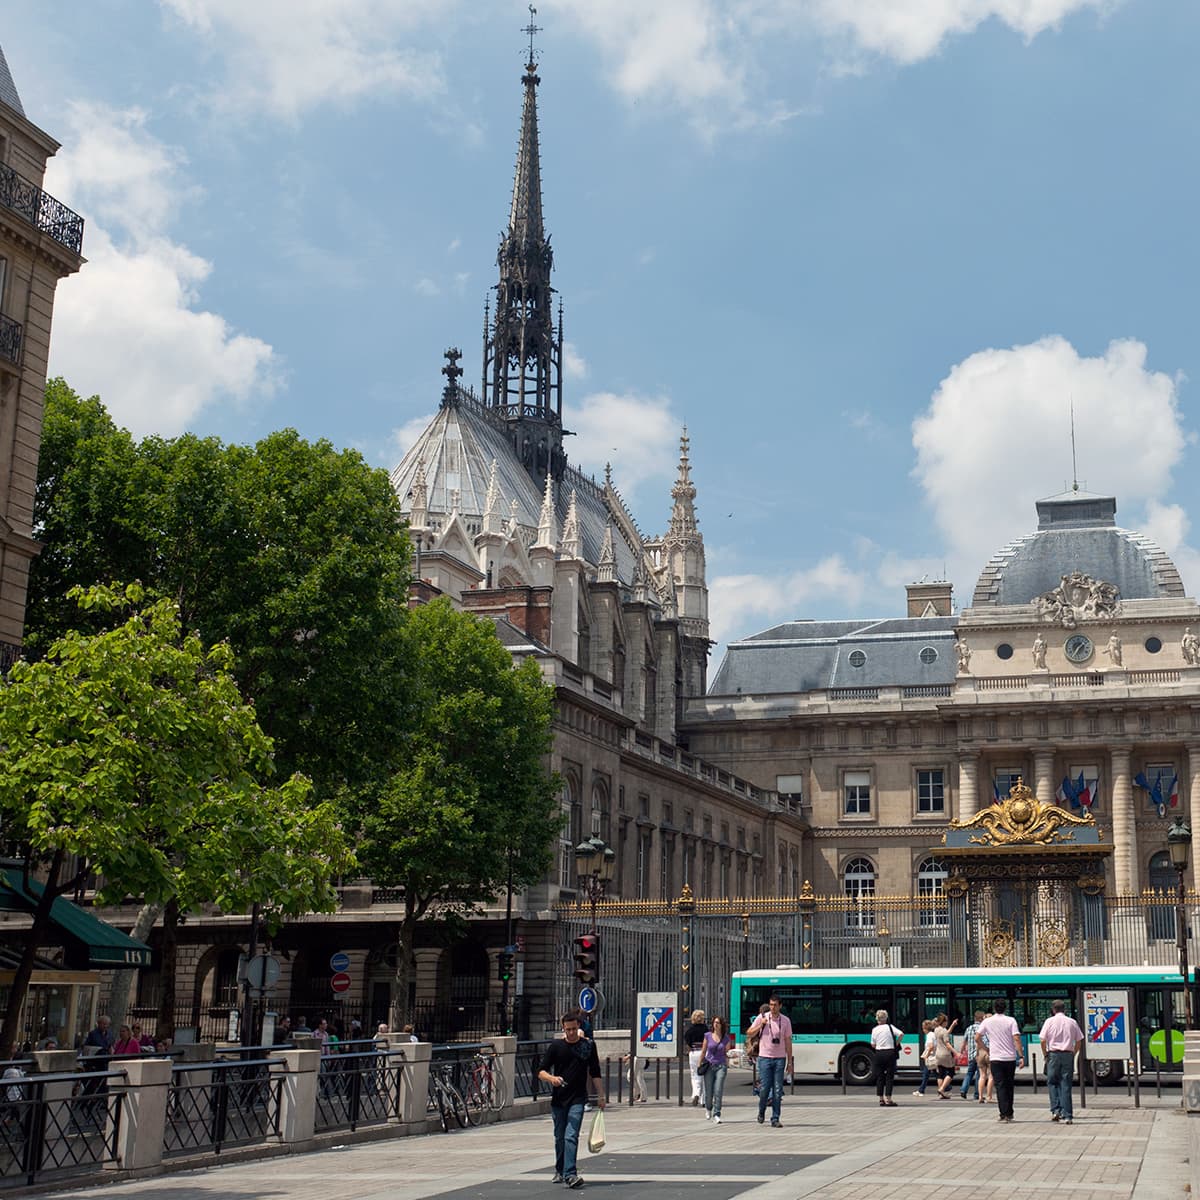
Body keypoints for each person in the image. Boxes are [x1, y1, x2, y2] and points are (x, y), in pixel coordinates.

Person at [537, 1010, 605, 1189]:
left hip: (578, 1097)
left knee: (571, 1135)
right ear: (563, 1029)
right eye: (568, 1029)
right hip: (559, 1099)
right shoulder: (556, 1047)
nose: (572, 1033)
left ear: (579, 1027)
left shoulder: (588, 1046)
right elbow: (541, 1071)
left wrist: (601, 1095)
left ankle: (570, 1174)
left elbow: (595, 1071)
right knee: (559, 1137)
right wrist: (552, 1079)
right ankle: (560, 1169)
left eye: (574, 1029)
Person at [747, 994, 792, 1127]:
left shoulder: (785, 1021)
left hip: (779, 1058)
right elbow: (749, 1033)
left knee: (778, 1089)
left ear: (780, 1006)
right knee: (765, 1089)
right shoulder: (762, 1018)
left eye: (775, 1005)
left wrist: (790, 1062)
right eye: (771, 1005)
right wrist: (760, 1025)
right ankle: (761, 1111)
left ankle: (775, 1118)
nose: (772, 1008)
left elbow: (788, 1041)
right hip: (765, 1057)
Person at [1039, 999, 1084, 1125]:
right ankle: (1068, 1115)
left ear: (1053, 1010)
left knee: (1052, 1082)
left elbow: (1042, 1040)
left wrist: (1045, 1054)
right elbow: (1079, 1040)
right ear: (1065, 1009)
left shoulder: (1049, 1021)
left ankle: (1056, 1110)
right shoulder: (1072, 1022)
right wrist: (1073, 1053)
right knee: (1066, 1084)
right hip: (1068, 1055)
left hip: (1053, 1054)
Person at [977, 999, 1024, 1122]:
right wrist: (1021, 1056)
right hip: (1009, 1058)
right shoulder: (1011, 1020)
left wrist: (985, 1048)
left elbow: (977, 1037)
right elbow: (1016, 1038)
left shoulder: (988, 1021)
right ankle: (1009, 1112)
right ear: (1005, 1008)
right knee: (1009, 1085)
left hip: (995, 1058)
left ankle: (1003, 1113)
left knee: (1000, 1086)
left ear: (994, 1008)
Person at [701, 1015, 734, 1123]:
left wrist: (731, 1055)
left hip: (721, 1066)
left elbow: (727, 1053)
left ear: (721, 1025)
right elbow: (704, 1050)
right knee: (709, 1090)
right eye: (714, 1022)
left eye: (718, 1023)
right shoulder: (708, 1035)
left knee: (718, 1090)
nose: (716, 1024)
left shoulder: (726, 1038)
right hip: (709, 1065)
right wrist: (700, 1063)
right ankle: (708, 1108)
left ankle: (717, 1113)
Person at [870, 1009, 902, 1106]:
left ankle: (881, 1099)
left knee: (880, 1076)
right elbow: (901, 1034)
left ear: (877, 1019)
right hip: (890, 1053)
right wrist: (895, 1043)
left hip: (879, 1053)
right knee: (889, 1077)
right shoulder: (890, 1027)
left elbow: (873, 1044)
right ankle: (889, 1099)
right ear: (886, 1018)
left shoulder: (874, 1029)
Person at [683, 1009, 708, 1107]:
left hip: (693, 1053)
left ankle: (696, 1094)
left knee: (694, 1075)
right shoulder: (706, 1029)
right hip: (703, 1052)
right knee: (704, 1075)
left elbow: (687, 1043)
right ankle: (704, 1100)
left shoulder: (690, 1030)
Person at [960, 1010, 986, 1100]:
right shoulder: (983, 1028)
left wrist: (961, 1051)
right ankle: (977, 1094)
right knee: (979, 1075)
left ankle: (963, 1089)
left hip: (971, 1055)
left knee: (969, 1073)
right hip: (980, 1054)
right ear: (980, 1018)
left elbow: (964, 1042)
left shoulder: (969, 1028)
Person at [933, 1013, 959, 1098]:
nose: (947, 1022)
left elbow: (946, 1033)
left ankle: (941, 1093)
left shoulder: (936, 1030)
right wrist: (956, 1052)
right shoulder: (943, 1031)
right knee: (951, 1072)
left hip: (938, 1054)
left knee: (941, 1073)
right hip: (945, 1054)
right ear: (943, 1022)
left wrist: (952, 1025)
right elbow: (947, 1043)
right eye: (946, 1021)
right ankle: (942, 1089)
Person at [912, 1019, 935, 1096]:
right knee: (934, 1073)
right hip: (933, 1057)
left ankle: (921, 1090)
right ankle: (947, 1087)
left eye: (923, 1028)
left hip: (930, 1057)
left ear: (925, 1028)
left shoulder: (929, 1035)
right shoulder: (933, 1034)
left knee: (926, 1074)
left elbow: (931, 1046)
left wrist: (926, 1056)